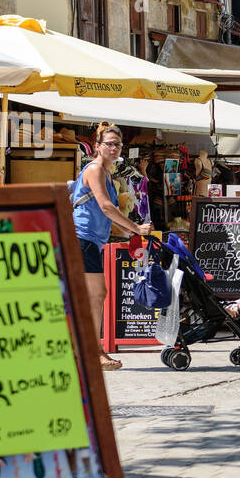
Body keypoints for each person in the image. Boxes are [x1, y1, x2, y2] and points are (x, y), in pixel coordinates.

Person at [71, 121, 152, 372]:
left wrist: (127, 233)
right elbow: (106, 206)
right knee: (96, 295)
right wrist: (136, 228)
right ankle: (94, 352)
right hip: (80, 238)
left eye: (118, 144)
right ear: (97, 146)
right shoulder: (94, 169)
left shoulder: (108, 174)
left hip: (91, 241)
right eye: (109, 144)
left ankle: (87, 349)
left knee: (91, 296)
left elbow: (107, 216)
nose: (114, 148)